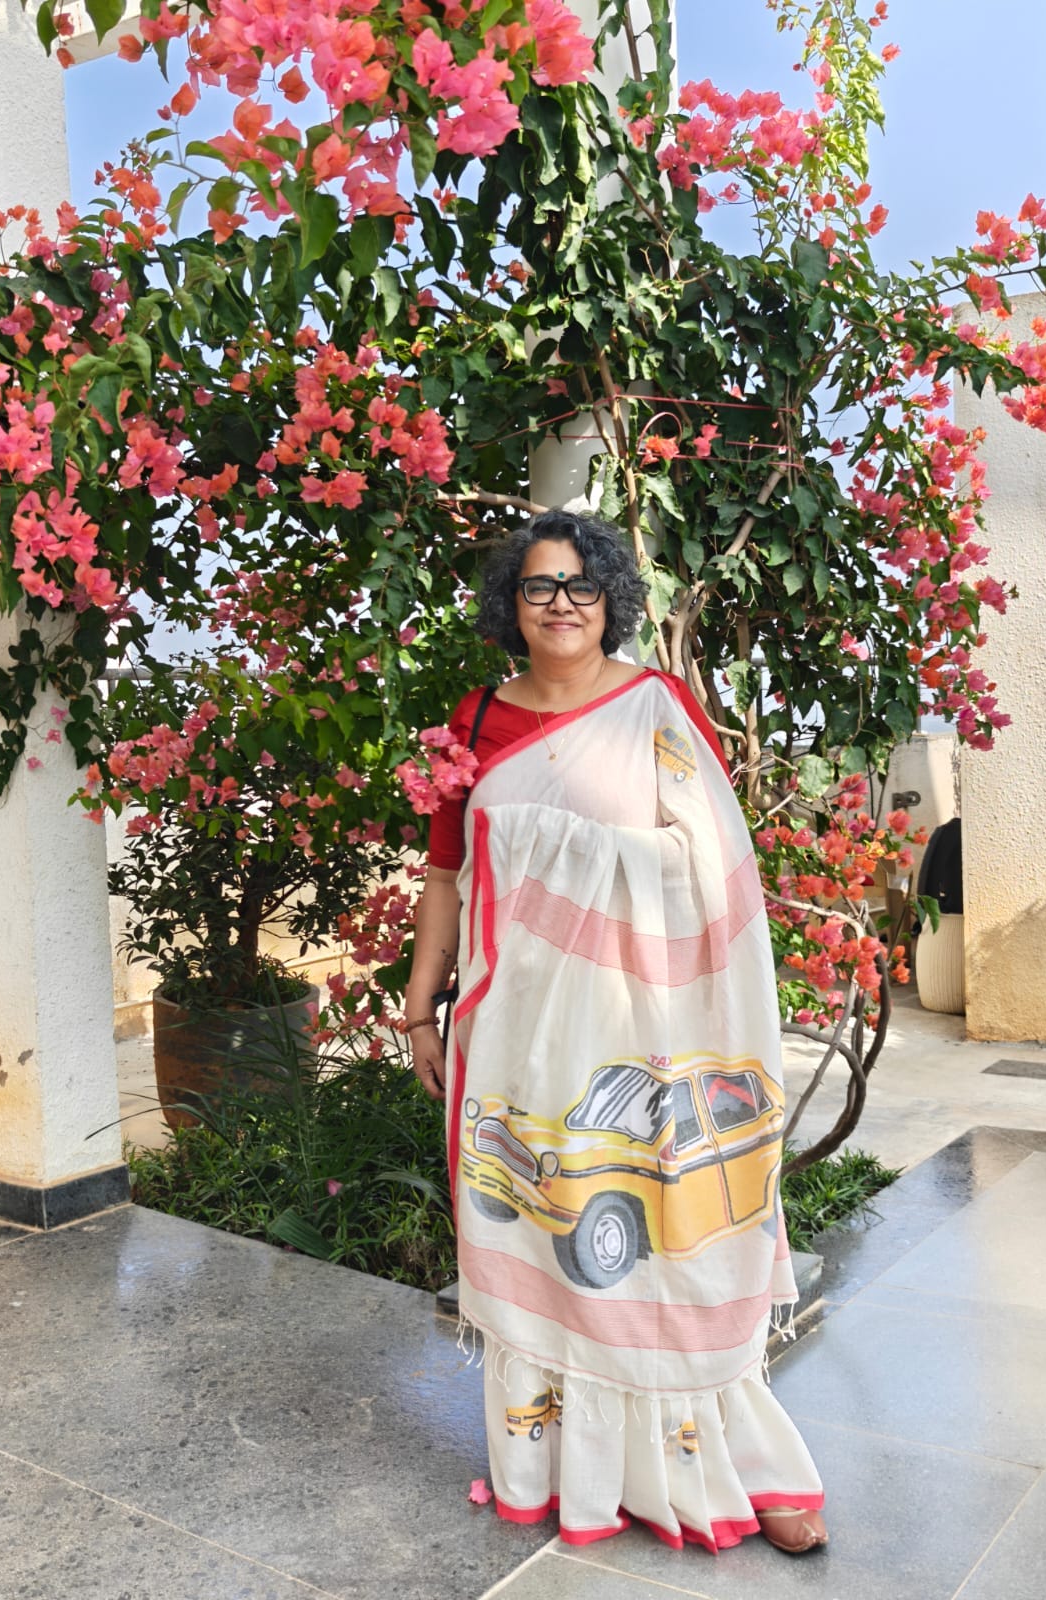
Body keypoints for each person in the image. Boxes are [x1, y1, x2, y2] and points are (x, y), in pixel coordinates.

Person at [404, 509, 826, 1555]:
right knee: (542, 1239)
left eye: (581, 585)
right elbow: (447, 876)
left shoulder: (657, 708)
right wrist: (420, 1006)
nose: (562, 604)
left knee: (663, 1241)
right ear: (511, 603)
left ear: (611, 600)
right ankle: (558, 1465)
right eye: (540, 586)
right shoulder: (475, 720)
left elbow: (716, 858)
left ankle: (734, 1463)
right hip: (516, 1032)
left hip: (648, 1028)